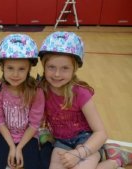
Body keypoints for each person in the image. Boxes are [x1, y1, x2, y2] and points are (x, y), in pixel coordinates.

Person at [38, 31, 132, 169]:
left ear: (74, 69)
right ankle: (110, 159)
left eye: (65, 68)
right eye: (51, 67)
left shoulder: (80, 92)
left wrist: (78, 153)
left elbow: (101, 133)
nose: (57, 74)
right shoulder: (41, 90)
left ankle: (115, 160)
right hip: (61, 142)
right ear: (43, 66)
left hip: (86, 140)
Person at [0, 34, 44, 169]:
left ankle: (47, 143)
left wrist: (18, 148)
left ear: (29, 69)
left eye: (21, 69)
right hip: (5, 135)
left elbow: (34, 124)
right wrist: (11, 147)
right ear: (2, 66)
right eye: (10, 68)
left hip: (28, 136)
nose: (15, 74)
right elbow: (0, 120)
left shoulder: (36, 91)